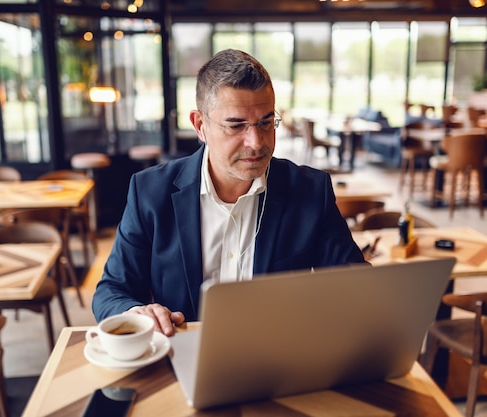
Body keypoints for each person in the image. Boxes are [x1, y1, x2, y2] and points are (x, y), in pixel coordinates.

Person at [92, 49, 367, 336]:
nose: (256, 142)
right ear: (200, 125)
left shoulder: (311, 191)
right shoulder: (149, 192)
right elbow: (111, 291)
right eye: (236, 125)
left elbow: (354, 288)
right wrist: (136, 312)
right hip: (181, 356)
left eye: (265, 122)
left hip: (278, 358)